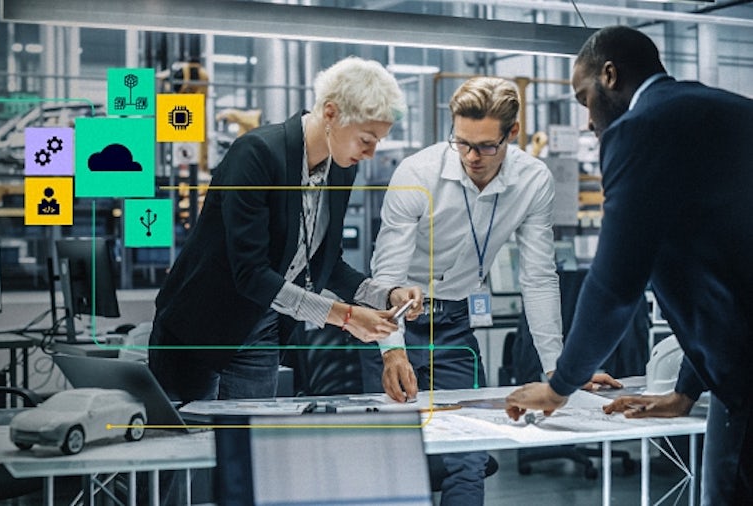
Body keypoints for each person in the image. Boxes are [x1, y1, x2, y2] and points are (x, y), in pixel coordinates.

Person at [504, 25, 753, 505]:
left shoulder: (640, 129)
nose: (588, 121)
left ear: (610, 76)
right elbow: (722, 265)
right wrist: (686, 391)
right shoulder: (732, 112)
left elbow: (616, 284)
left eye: (584, 99)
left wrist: (560, 386)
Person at [360, 76, 619, 505]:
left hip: (456, 324)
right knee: (394, 457)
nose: (471, 157)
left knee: (469, 456)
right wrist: (391, 349)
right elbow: (385, 271)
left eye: (485, 146)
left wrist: (558, 367)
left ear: (511, 133)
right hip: (394, 322)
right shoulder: (417, 173)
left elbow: (537, 277)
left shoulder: (532, 180)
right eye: (461, 143)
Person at [148, 55, 423, 404]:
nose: (371, 153)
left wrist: (385, 295)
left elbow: (327, 264)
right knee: (188, 445)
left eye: (378, 142)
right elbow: (250, 274)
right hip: (201, 330)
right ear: (330, 113)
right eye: (366, 139)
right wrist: (346, 316)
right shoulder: (258, 154)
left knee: (249, 447)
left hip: (262, 329)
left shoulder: (341, 169)